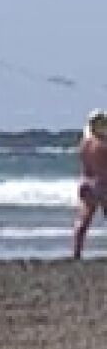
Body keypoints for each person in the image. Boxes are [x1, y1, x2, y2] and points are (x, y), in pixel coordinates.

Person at [75, 110, 107, 259]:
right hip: (103, 184)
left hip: (87, 183)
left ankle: (77, 252)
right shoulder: (102, 144)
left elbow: (86, 166)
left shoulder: (84, 144)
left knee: (84, 220)